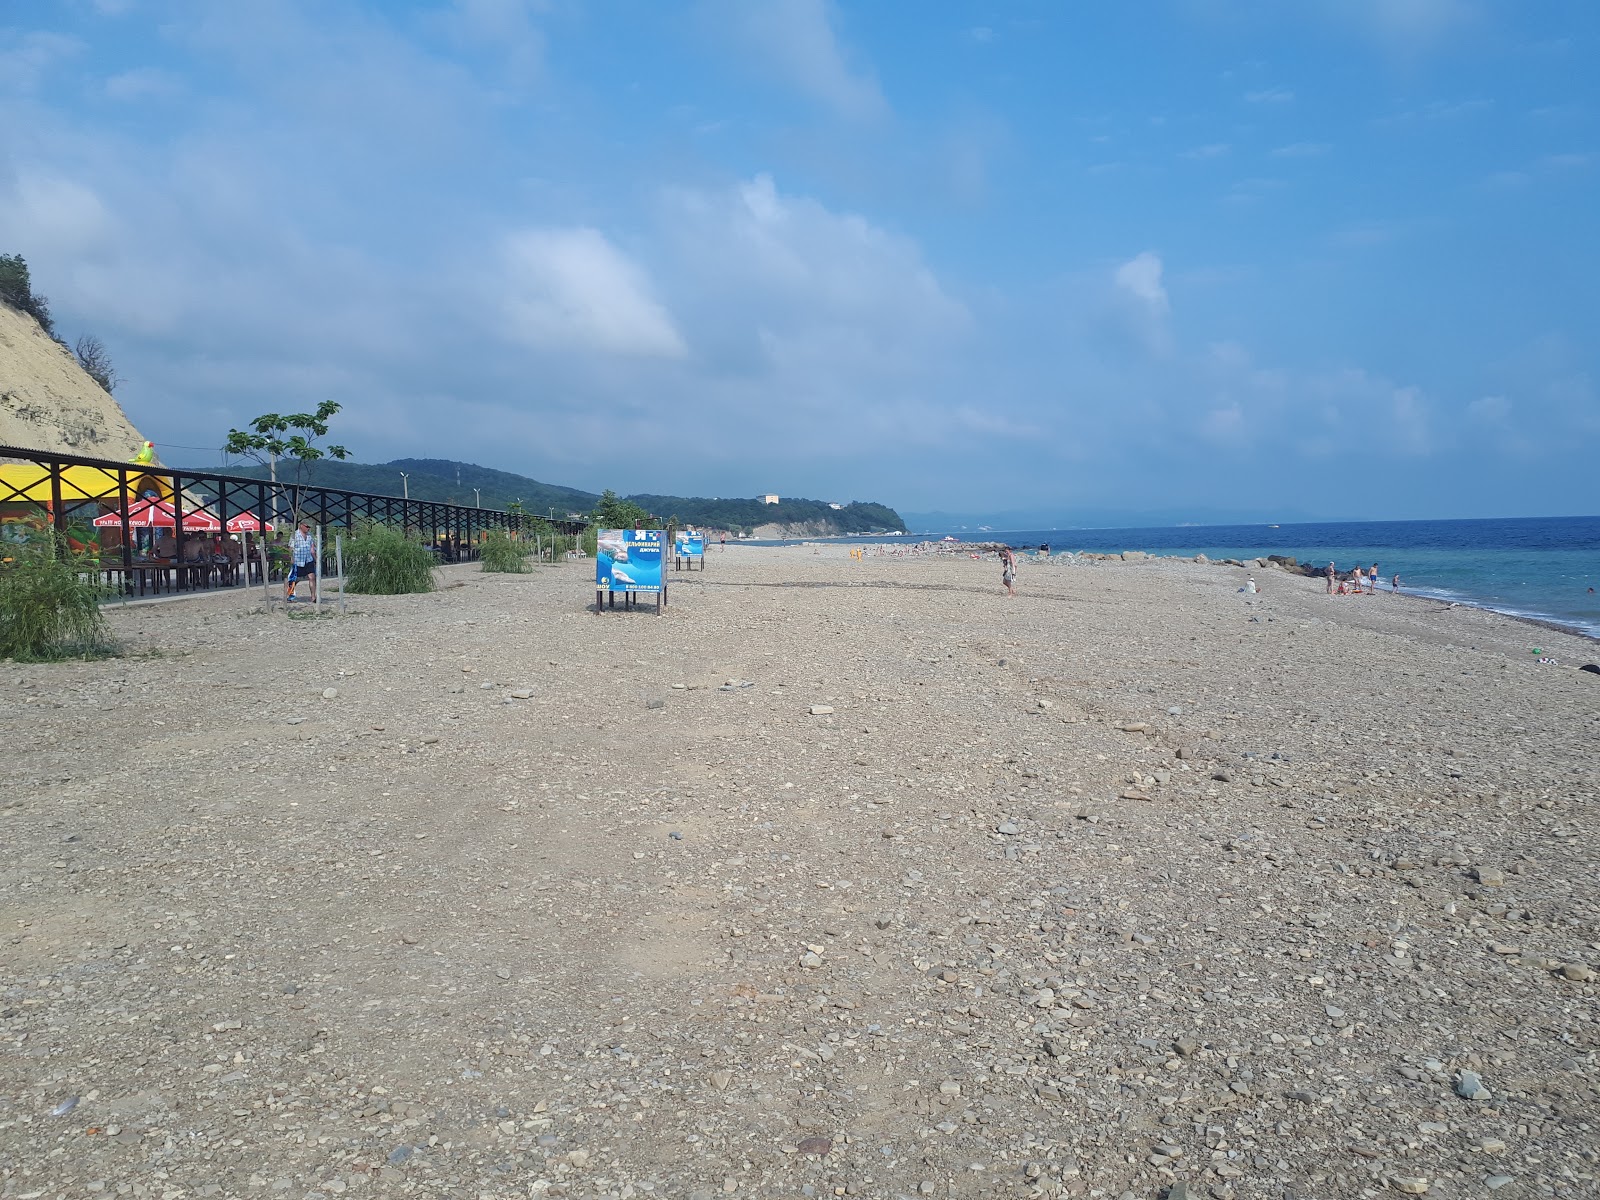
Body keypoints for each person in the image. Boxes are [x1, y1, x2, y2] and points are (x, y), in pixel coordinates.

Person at [286, 520, 317, 603]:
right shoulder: (295, 535)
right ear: (301, 526)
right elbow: (290, 548)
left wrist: (315, 558)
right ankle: (289, 594)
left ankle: (313, 597)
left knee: (312, 577)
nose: (308, 528)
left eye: (309, 527)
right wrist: (291, 558)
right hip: (298, 560)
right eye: (307, 526)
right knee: (295, 579)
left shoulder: (310, 535)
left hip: (308, 560)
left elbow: (312, 548)